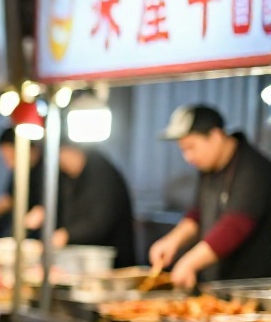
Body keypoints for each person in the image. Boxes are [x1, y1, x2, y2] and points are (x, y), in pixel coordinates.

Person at [149, 105, 271, 288]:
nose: (188, 157)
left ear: (215, 136)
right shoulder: (209, 168)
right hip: (215, 284)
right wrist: (172, 241)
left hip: (249, 288)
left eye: (191, 147)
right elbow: (197, 213)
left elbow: (235, 225)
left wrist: (189, 262)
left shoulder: (254, 169)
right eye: (183, 150)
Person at [23, 140, 138, 267]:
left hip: (110, 262)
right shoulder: (66, 176)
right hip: (76, 262)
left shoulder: (100, 171)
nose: (58, 163)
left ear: (70, 150)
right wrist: (42, 210)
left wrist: (66, 235)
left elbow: (100, 221)